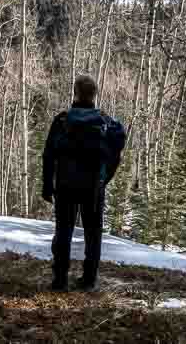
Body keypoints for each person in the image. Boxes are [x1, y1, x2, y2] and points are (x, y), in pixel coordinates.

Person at [41, 75, 126, 292]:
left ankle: (60, 280)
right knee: (93, 233)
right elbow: (117, 151)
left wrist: (47, 185)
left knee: (64, 231)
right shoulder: (106, 122)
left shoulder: (62, 120)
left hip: (65, 185)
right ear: (94, 95)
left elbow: (49, 154)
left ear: (75, 93)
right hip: (93, 187)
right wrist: (105, 179)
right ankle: (89, 280)